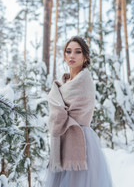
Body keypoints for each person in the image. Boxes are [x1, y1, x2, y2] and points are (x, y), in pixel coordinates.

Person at [44, 36, 114, 187]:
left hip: (80, 140)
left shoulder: (85, 82)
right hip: (62, 139)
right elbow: (58, 111)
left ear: (85, 56)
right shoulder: (62, 84)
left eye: (77, 52)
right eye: (68, 51)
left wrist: (59, 112)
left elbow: (72, 113)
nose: (72, 55)